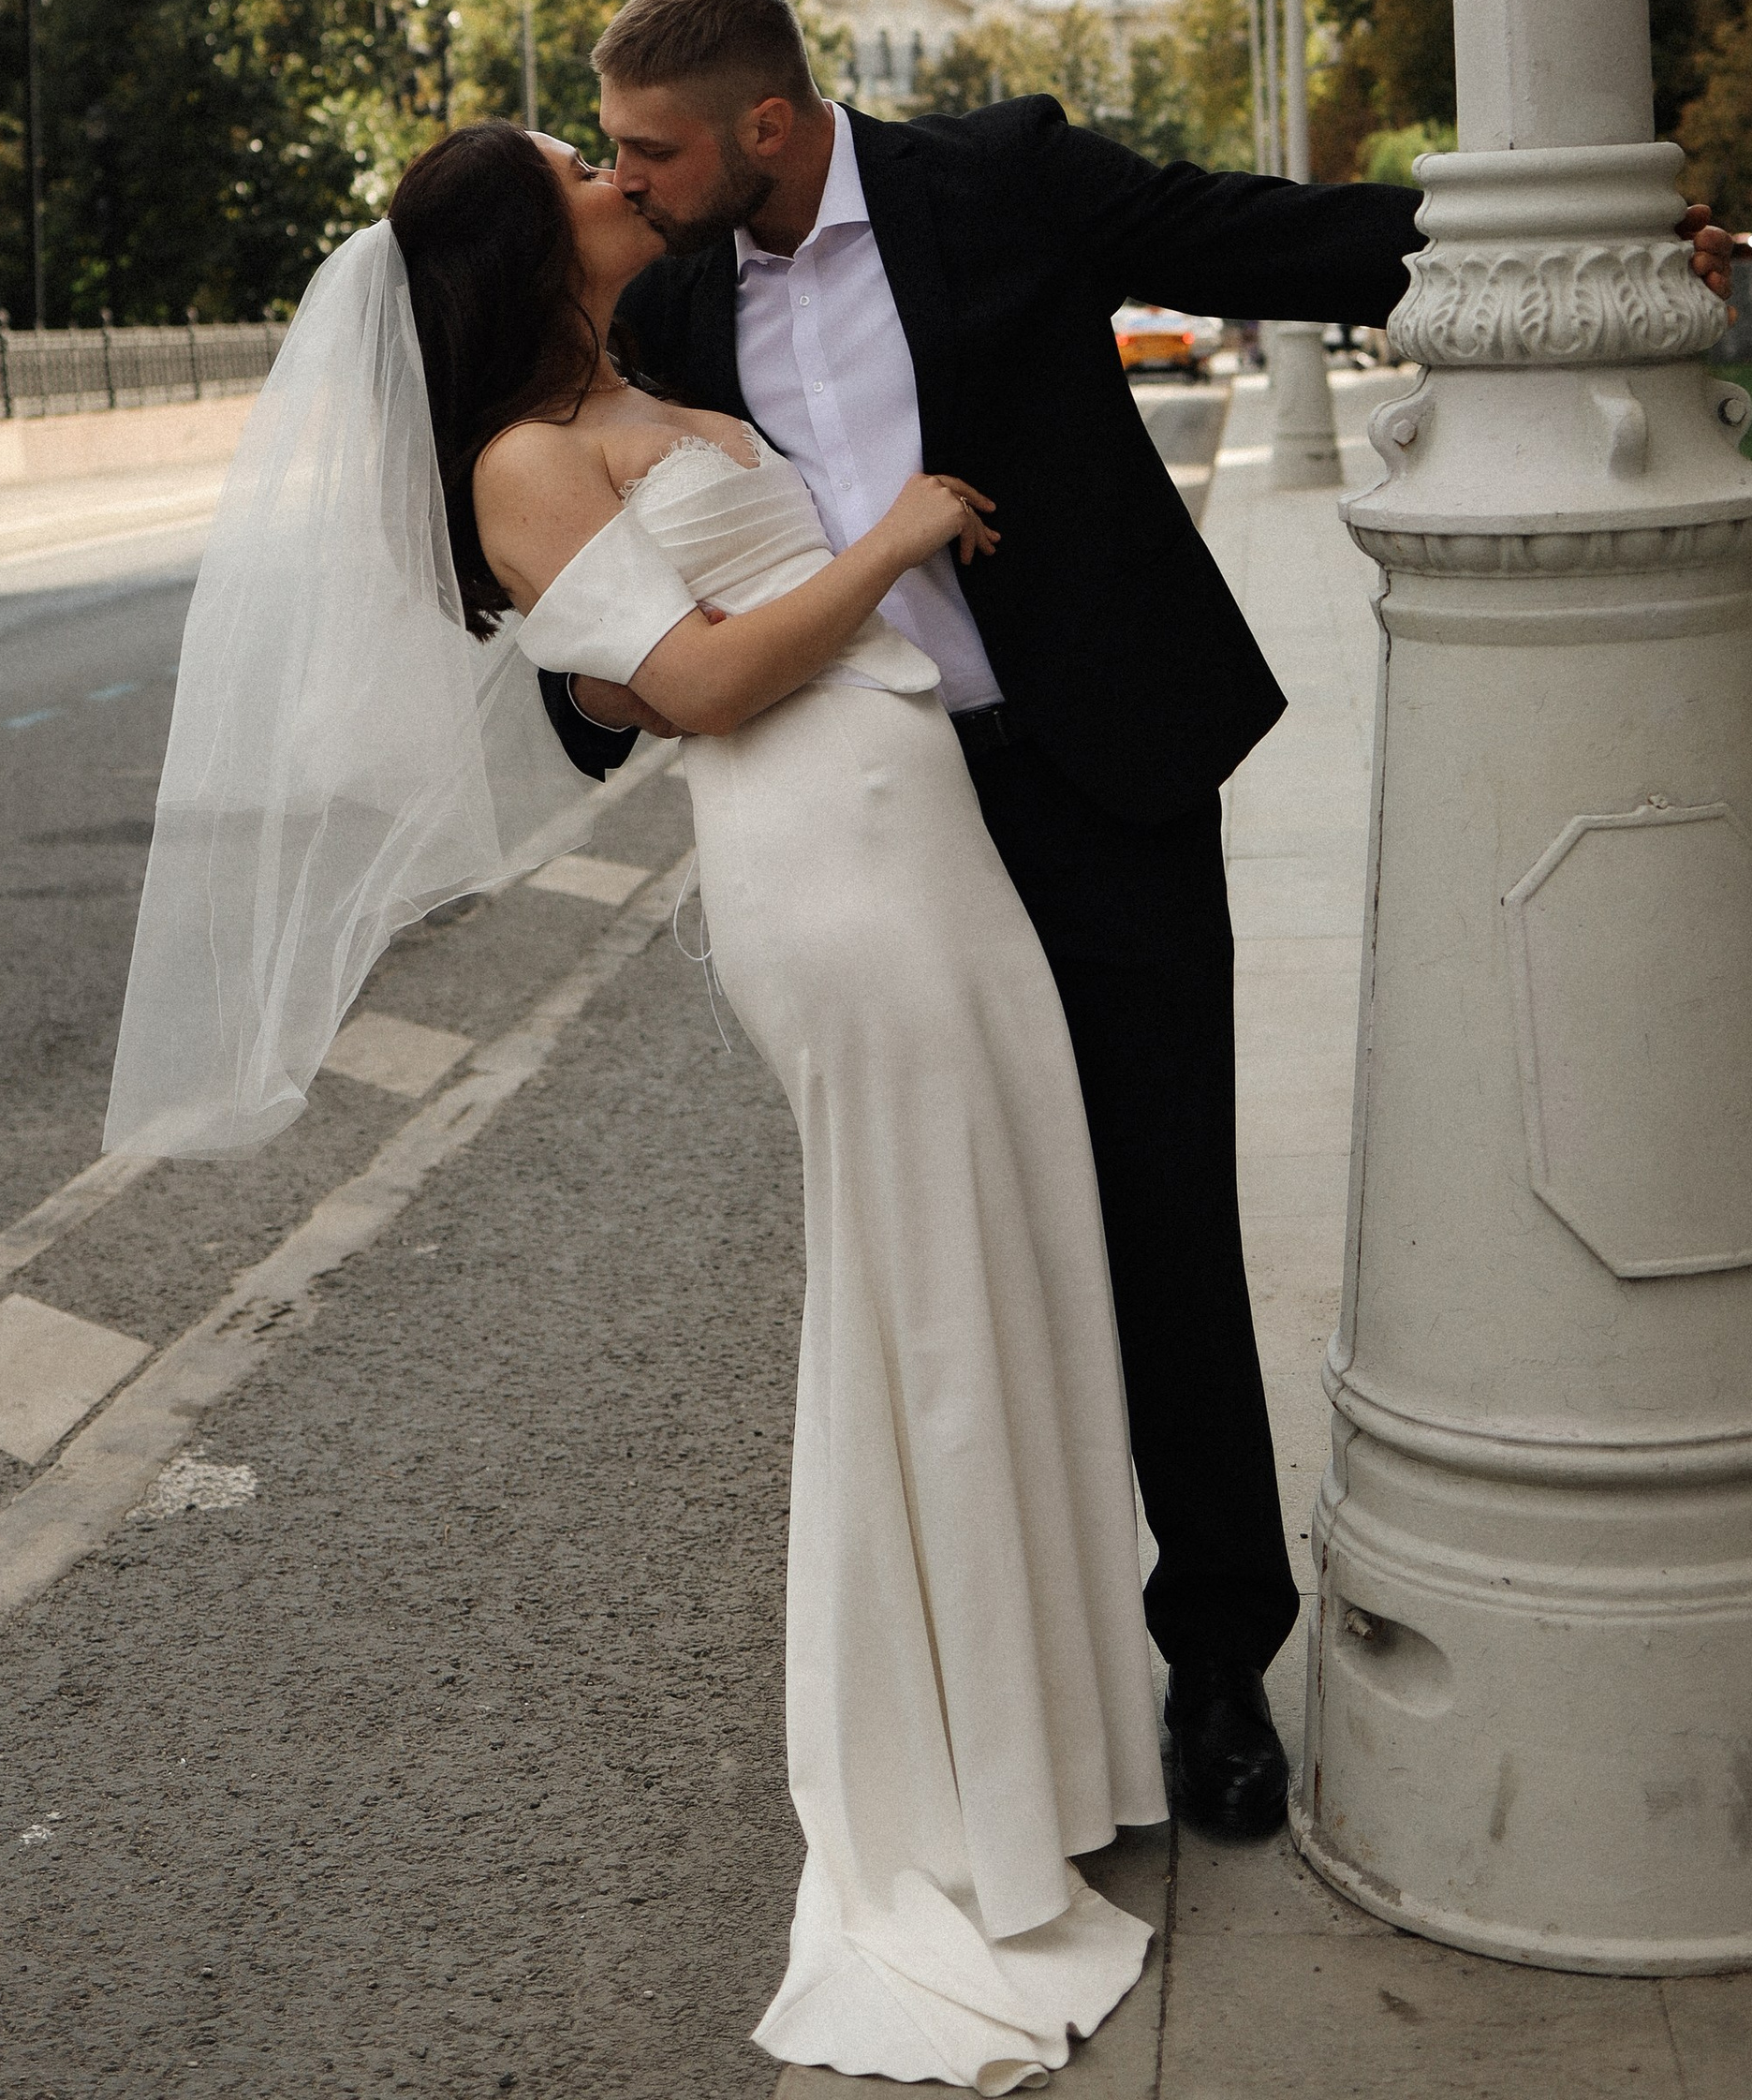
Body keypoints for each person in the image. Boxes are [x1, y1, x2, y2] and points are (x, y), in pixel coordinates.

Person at [539, 0, 1739, 1845]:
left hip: (1095, 781)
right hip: (880, 826)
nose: (624, 181)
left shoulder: (990, 181)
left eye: (647, 149)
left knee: (1161, 1221)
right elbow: (604, 559)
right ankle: (1028, 1671)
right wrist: (602, 680)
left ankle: (1212, 1670)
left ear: (763, 127)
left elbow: (1248, 233)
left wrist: (1571, 243)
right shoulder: (678, 299)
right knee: (968, 1248)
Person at [405, 115, 1170, 2087]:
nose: (610, 173)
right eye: (575, 162)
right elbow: (695, 686)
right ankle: (954, 1796)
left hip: (920, 842)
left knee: (1004, 1260)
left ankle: (1057, 1744)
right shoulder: (519, 459)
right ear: (522, 234)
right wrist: (897, 533)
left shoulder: (649, 385)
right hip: (817, 866)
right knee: (918, 1304)